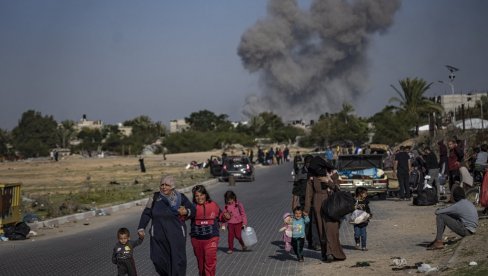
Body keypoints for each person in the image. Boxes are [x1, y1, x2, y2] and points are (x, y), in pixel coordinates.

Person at [137, 176, 195, 276]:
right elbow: (147, 213)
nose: (164, 187)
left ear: (172, 186)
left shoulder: (180, 197)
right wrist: (141, 227)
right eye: (162, 185)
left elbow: (193, 210)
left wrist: (186, 211)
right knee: (157, 259)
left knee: (177, 261)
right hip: (158, 236)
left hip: (176, 235)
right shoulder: (155, 197)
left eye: (167, 185)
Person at [304, 164, 346, 263]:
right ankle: (326, 253)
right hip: (318, 203)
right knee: (321, 229)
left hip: (333, 204)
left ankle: (334, 252)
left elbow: (337, 189)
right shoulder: (312, 178)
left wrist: (328, 181)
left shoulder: (334, 175)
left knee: (332, 228)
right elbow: (308, 195)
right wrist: (306, 210)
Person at [427, 186, 478, 250]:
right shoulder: (467, 202)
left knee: (441, 216)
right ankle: (437, 239)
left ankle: (438, 242)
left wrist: (440, 209)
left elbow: (437, 212)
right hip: (472, 230)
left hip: (466, 231)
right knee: (449, 215)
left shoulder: (458, 205)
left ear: (455, 196)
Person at [190, 185, 224, 276]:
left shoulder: (213, 205)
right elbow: (183, 217)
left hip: (212, 239)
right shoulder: (192, 207)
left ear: (205, 195)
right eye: (197, 196)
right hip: (197, 240)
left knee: (210, 263)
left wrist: (225, 216)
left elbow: (221, 217)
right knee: (201, 266)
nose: (199, 198)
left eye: (201, 195)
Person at [353, 187, 372, 251]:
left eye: (366, 193)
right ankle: (357, 243)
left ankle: (364, 246)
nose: (366, 194)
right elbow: (351, 209)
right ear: (360, 194)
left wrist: (369, 215)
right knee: (357, 234)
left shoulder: (366, 201)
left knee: (363, 235)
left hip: (364, 221)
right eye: (365, 193)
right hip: (356, 221)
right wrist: (354, 207)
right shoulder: (355, 201)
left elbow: (368, 209)